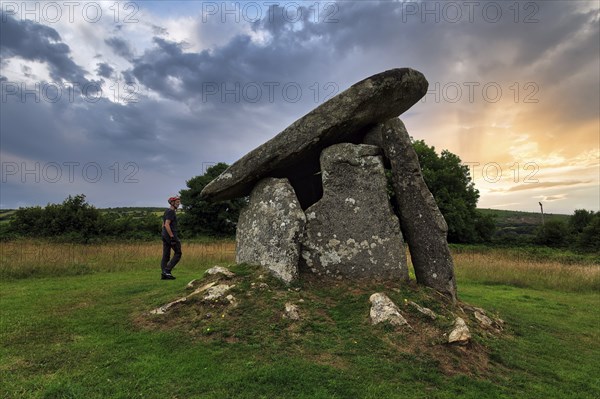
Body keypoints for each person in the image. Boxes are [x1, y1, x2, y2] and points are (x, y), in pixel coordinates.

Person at [161, 196, 182, 280]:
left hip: (165, 235)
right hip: (170, 235)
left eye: (179, 202)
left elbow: (163, 224)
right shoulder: (171, 212)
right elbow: (166, 224)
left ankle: (164, 274)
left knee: (166, 255)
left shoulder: (167, 211)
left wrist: (163, 234)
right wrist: (172, 237)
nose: (179, 203)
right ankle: (167, 270)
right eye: (177, 202)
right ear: (172, 203)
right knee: (178, 253)